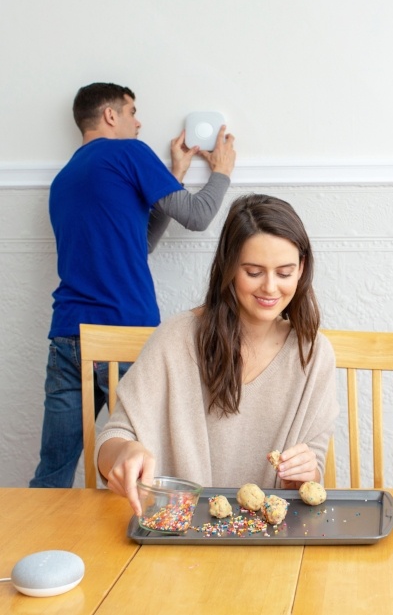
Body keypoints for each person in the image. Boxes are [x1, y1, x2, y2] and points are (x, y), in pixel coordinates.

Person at [31, 82, 236, 488]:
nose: (138, 122)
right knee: (145, 468)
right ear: (110, 115)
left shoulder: (65, 179)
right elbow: (197, 215)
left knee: (53, 473)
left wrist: (172, 175)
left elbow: (139, 244)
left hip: (68, 337)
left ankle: (41, 549)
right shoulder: (129, 153)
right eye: (132, 112)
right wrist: (222, 173)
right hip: (123, 335)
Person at [96, 194, 338, 515]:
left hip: (271, 538)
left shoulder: (313, 353)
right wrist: (124, 453)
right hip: (179, 529)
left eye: (284, 272)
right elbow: (113, 439)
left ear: (301, 269)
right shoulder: (176, 338)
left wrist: (304, 473)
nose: (270, 287)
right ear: (228, 267)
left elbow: (314, 469)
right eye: (253, 272)